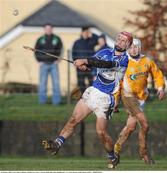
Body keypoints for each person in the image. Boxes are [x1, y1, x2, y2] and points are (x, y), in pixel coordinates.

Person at [42, 31, 133, 169]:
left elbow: (105, 64)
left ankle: (112, 155)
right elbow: (93, 64)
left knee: (100, 132)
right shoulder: (104, 51)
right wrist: (85, 66)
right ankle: (56, 144)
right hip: (93, 92)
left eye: (124, 40)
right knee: (73, 120)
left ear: (128, 45)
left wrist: (85, 61)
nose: (120, 41)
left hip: (106, 98)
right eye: (119, 38)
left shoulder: (124, 59)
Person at [113, 38, 166, 164]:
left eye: (136, 47)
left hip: (141, 99)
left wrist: (160, 88)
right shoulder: (124, 62)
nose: (133, 49)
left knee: (131, 127)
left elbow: (157, 74)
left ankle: (116, 149)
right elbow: (117, 83)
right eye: (130, 47)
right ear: (127, 48)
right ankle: (144, 153)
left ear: (140, 48)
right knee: (145, 124)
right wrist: (115, 101)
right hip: (128, 96)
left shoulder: (147, 61)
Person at [34, 23, 63, 105]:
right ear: (44, 29)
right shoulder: (40, 39)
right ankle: (42, 102)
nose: (48, 30)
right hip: (43, 64)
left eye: (50, 28)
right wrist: (39, 61)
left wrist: (58, 60)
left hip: (54, 64)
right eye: (47, 29)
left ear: (52, 29)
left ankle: (56, 102)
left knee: (56, 83)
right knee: (43, 83)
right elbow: (36, 51)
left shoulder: (57, 39)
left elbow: (60, 49)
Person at [72, 26, 98, 94]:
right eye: (85, 32)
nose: (86, 34)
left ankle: (91, 96)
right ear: (82, 33)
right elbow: (73, 53)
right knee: (81, 83)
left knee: (91, 83)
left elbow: (98, 39)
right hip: (80, 66)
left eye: (87, 32)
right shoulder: (77, 42)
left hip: (90, 66)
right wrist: (75, 63)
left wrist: (92, 34)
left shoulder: (92, 41)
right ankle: (83, 97)